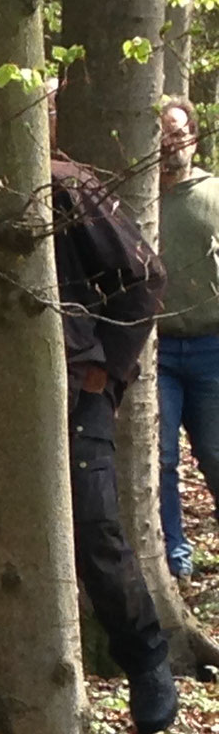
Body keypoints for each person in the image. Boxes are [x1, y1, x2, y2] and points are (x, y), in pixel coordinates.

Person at [0, 88, 177, 734]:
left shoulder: (66, 190)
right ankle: (22, 672)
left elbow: (143, 280)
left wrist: (99, 372)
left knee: (94, 529)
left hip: (69, 395)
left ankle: (146, 659)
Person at [156, 97, 219, 579]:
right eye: (160, 132)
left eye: (177, 131)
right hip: (155, 350)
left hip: (211, 346)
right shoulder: (137, 199)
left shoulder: (214, 194)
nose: (170, 141)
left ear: (194, 136)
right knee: (160, 459)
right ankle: (174, 558)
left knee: (215, 452)